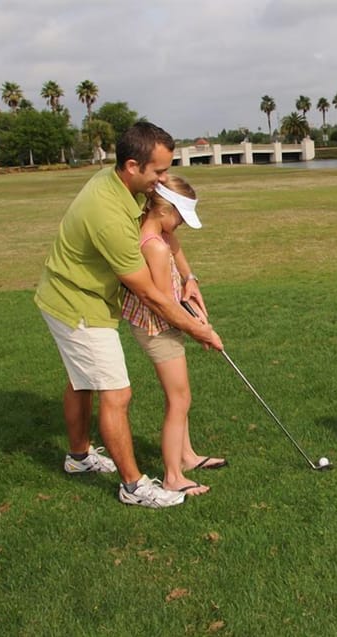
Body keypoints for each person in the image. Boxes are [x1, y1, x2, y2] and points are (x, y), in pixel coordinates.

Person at [35, 121, 223, 509]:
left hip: (85, 297)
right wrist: (200, 330)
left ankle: (79, 457)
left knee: (81, 382)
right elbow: (151, 295)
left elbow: (169, 237)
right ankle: (134, 486)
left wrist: (189, 278)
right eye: (157, 171)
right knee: (117, 393)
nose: (163, 179)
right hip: (77, 303)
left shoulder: (127, 185)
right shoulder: (108, 213)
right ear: (133, 165)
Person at [121, 174, 227, 496]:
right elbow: (166, 304)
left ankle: (187, 455)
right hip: (158, 329)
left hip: (164, 324)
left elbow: (177, 253)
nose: (181, 224)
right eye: (180, 217)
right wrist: (202, 331)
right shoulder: (153, 246)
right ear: (165, 210)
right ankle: (172, 476)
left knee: (181, 395)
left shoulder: (161, 233)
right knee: (179, 398)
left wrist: (190, 279)